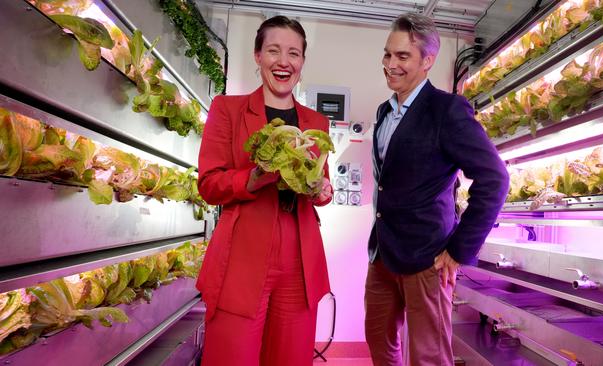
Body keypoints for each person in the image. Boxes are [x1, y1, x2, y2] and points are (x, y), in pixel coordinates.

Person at [364, 12, 509, 366]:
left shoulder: (447, 109)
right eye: (387, 54)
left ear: (427, 61)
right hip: (382, 253)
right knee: (379, 343)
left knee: (428, 356)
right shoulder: (386, 111)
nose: (390, 64)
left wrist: (459, 250)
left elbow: (494, 178)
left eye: (402, 56)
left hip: (428, 258)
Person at [196, 15, 333, 366]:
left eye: (294, 53)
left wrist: (322, 189)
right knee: (231, 356)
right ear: (258, 56)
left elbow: (323, 188)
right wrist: (251, 179)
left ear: (302, 62)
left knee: (290, 357)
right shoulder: (228, 109)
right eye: (273, 50)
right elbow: (209, 183)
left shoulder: (316, 123)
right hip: (242, 250)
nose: (283, 61)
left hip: (300, 254)